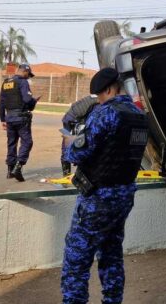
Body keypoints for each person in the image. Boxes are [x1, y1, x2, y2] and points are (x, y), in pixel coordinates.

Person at [61, 68, 148, 304]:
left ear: (109, 89)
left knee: (76, 260)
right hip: (123, 194)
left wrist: (70, 142)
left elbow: (78, 154)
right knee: (111, 254)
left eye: (99, 95)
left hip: (98, 197)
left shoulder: (106, 113)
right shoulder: (139, 115)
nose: (98, 100)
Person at [0, 63, 39, 182]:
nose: (28, 78)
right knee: (27, 142)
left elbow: (1, 103)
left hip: (9, 118)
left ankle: (10, 171)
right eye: (28, 75)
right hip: (21, 118)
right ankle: (18, 167)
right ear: (25, 72)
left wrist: (2, 119)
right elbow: (27, 99)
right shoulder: (22, 82)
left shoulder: (6, 83)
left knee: (11, 143)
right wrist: (34, 101)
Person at [60, 95, 98, 176]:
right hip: (73, 120)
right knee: (78, 144)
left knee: (68, 143)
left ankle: (66, 173)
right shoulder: (99, 101)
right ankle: (68, 174)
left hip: (68, 118)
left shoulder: (92, 98)